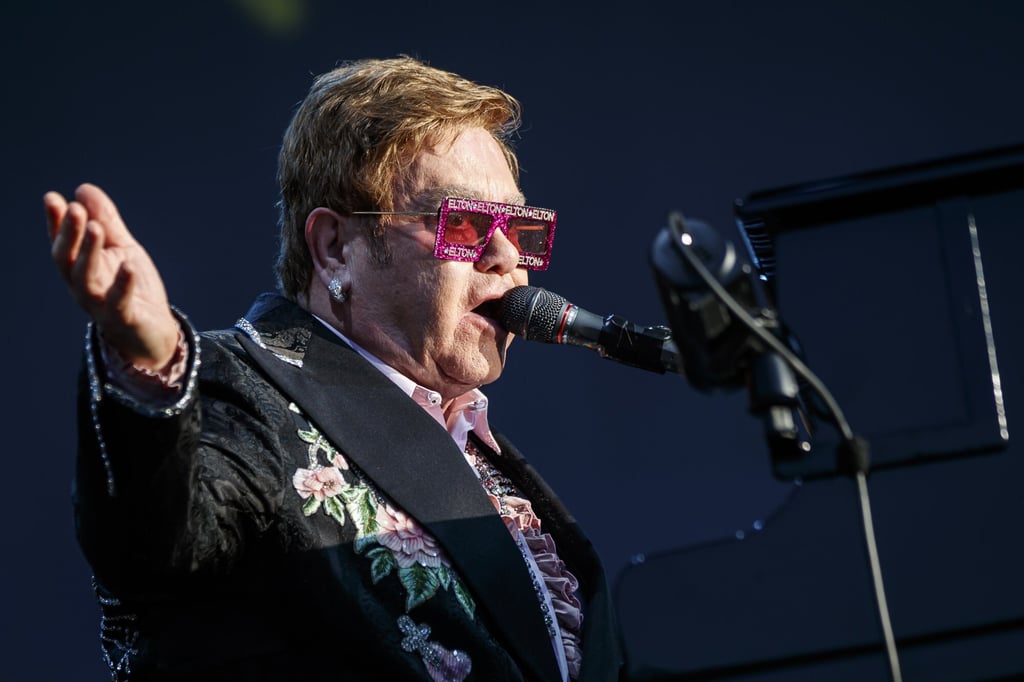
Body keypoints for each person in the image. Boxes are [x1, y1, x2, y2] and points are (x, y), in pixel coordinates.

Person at [45, 56, 622, 681]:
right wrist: (149, 365)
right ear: (336, 248)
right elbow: (156, 547)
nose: (509, 256)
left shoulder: (481, 449)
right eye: (468, 224)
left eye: (522, 229)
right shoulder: (234, 389)